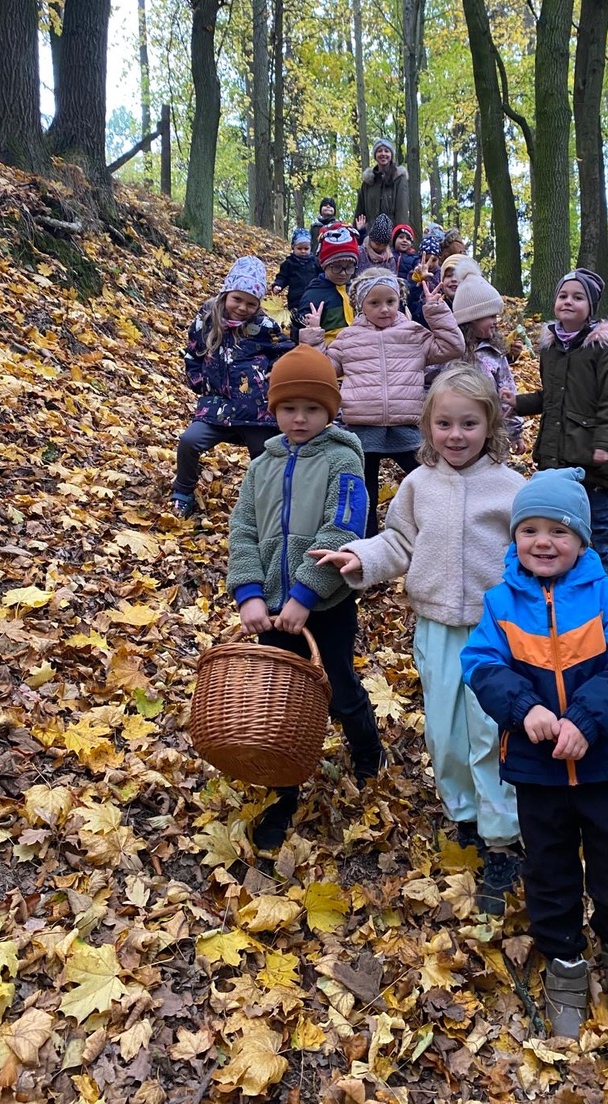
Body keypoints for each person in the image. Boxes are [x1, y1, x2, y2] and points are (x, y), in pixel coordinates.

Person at [311, 364, 526, 913]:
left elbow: (534, 551)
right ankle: (464, 817)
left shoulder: (512, 487)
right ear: (427, 426)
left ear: (490, 425)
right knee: (446, 730)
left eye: (469, 424)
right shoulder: (417, 485)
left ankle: (503, 836)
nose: (456, 435)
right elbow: (399, 542)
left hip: (497, 631)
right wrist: (359, 557)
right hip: (436, 625)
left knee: (491, 729)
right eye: (444, 423)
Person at [461, 467, 608, 1039]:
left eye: (558, 531)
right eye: (530, 530)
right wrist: (525, 709)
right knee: (548, 869)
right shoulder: (500, 603)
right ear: (514, 537)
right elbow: (481, 664)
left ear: (580, 539)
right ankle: (564, 961)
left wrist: (587, 721)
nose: (543, 542)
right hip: (537, 767)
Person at [226, 344, 385, 851]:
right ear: (274, 410)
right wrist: (249, 593)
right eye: (289, 408)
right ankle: (284, 787)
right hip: (269, 610)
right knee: (278, 698)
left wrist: (304, 595)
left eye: (312, 408)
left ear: (330, 411)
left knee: (337, 685)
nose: (300, 418)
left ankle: (367, 751)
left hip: (325, 606)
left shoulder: (343, 461)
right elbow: (243, 530)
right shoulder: (261, 466)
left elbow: (343, 529)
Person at [299, 265, 464, 537]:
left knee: (430, 478)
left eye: (390, 301)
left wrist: (436, 311)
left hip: (406, 425)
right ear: (360, 305)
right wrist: (314, 335)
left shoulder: (413, 333)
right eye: (374, 303)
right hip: (362, 428)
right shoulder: (348, 337)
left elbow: (452, 347)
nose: (384, 309)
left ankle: (435, 532)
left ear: (399, 300)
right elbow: (322, 368)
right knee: (364, 494)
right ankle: (366, 545)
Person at [505, 269, 608, 578]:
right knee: (559, 518)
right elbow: (551, 396)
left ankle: (606, 579)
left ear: (590, 307)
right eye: (563, 296)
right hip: (556, 453)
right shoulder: (552, 348)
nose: (568, 302)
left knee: (597, 518)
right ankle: (564, 575)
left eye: (578, 297)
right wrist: (518, 403)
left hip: (589, 454)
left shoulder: (603, 348)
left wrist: (604, 444)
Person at [172, 256, 292, 518]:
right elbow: (192, 354)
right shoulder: (206, 321)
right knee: (189, 441)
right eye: (237, 299)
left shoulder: (264, 327)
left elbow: (287, 351)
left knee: (265, 453)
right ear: (226, 293)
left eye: (251, 303)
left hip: (256, 410)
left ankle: (266, 503)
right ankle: (183, 491)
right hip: (217, 406)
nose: (242, 308)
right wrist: (199, 382)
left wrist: (274, 374)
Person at [450, 260, 524, 449]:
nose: (496, 321)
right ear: (471, 319)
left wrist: (515, 432)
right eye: (491, 316)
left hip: (490, 434)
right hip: (454, 433)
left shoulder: (494, 353)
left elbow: (508, 393)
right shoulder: (450, 352)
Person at [293, 224, 360, 342]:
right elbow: (298, 333)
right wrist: (309, 328)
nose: (343, 273)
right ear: (325, 266)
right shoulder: (314, 294)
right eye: (337, 267)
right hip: (326, 349)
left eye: (349, 267)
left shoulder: (355, 290)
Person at [354, 138, 410, 233]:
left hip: (391, 234)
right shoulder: (368, 183)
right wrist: (355, 233)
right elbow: (360, 213)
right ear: (375, 155)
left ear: (391, 155)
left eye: (386, 151)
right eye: (379, 151)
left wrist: (400, 234)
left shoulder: (399, 179)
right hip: (370, 234)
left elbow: (402, 211)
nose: (383, 154)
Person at [272, 228, 318, 313]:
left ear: (310, 248)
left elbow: (322, 275)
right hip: (295, 300)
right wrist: (278, 285)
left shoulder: (315, 262)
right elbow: (282, 277)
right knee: (296, 317)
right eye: (299, 248)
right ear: (293, 247)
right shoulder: (289, 263)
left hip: (313, 297)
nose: (303, 251)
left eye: (306, 248)